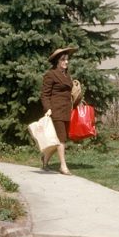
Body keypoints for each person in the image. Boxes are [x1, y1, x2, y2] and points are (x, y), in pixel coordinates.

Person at [40, 45, 77, 175]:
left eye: (67, 59)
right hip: (55, 110)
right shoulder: (51, 75)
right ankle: (63, 166)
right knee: (61, 139)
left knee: (58, 139)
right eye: (63, 59)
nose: (66, 62)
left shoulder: (67, 75)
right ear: (57, 61)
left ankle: (45, 159)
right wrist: (48, 109)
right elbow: (45, 94)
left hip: (66, 110)